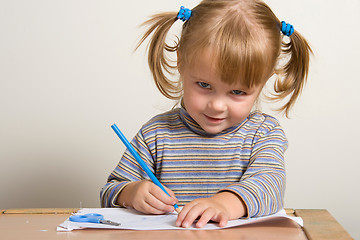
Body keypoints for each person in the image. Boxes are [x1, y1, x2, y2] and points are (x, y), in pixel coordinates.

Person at [101, 0, 312, 228]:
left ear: (263, 81)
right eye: (204, 85)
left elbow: (270, 186)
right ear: (181, 62)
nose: (217, 105)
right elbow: (109, 191)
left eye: (238, 91)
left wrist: (224, 204)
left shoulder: (262, 134)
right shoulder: (155, 134)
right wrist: (131, 193)